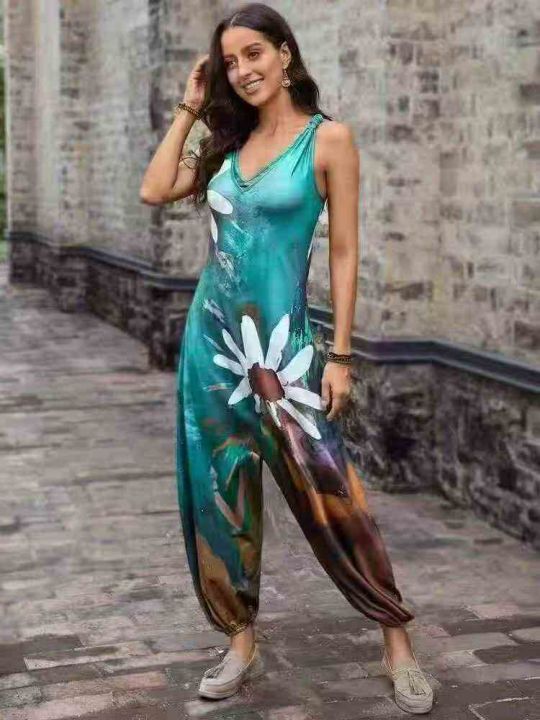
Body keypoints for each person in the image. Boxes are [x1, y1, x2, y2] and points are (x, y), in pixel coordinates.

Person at [140, 2, 434, 714]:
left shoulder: (328, 140)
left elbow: (344, 251)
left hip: (286, 355)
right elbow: (154, 189)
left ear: (285, 53)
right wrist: (190, 106)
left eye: (254, 54)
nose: (243, 70)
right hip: (213, 348)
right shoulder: (226, 145)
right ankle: (240, 640)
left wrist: (341, 355)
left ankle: (396, 640)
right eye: (230, 61)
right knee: (220, 494)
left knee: (332, 491)